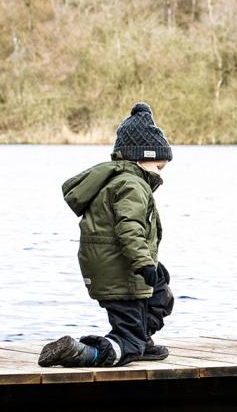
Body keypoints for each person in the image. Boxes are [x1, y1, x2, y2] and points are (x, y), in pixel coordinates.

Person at [39, 103, 175, 368]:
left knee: (160, 287)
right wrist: (144, 263)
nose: (161, 174)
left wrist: (150, 267)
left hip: (112, 265)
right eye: (159, 166)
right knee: (128, 342)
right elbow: (129, 228)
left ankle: (140, 339)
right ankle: (84, 352)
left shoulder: (121, 181)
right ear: (141, 158)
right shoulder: (131, 184)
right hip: (121, 271)